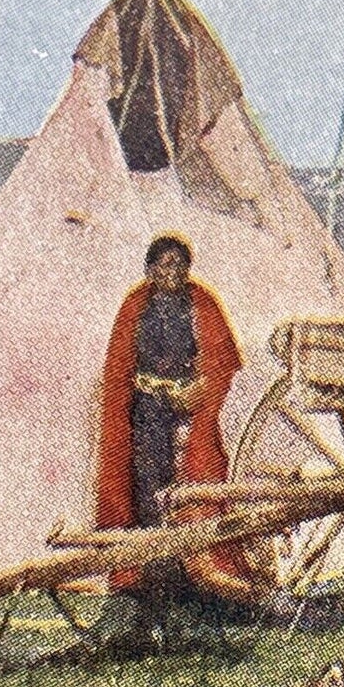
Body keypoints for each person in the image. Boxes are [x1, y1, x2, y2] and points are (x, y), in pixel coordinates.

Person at [91, 235, 249, 650]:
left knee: (186, 494)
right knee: (146, 490)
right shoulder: (135, 306)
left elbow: (221, 360)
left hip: (187, 414)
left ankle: (187, 581)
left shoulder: (201, 304)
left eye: (178, 266)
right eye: (162, 266)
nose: (170, 273)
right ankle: (146, 580)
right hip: (146, 413)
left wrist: (200, 388)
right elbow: (120, 368)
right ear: (149, 269)